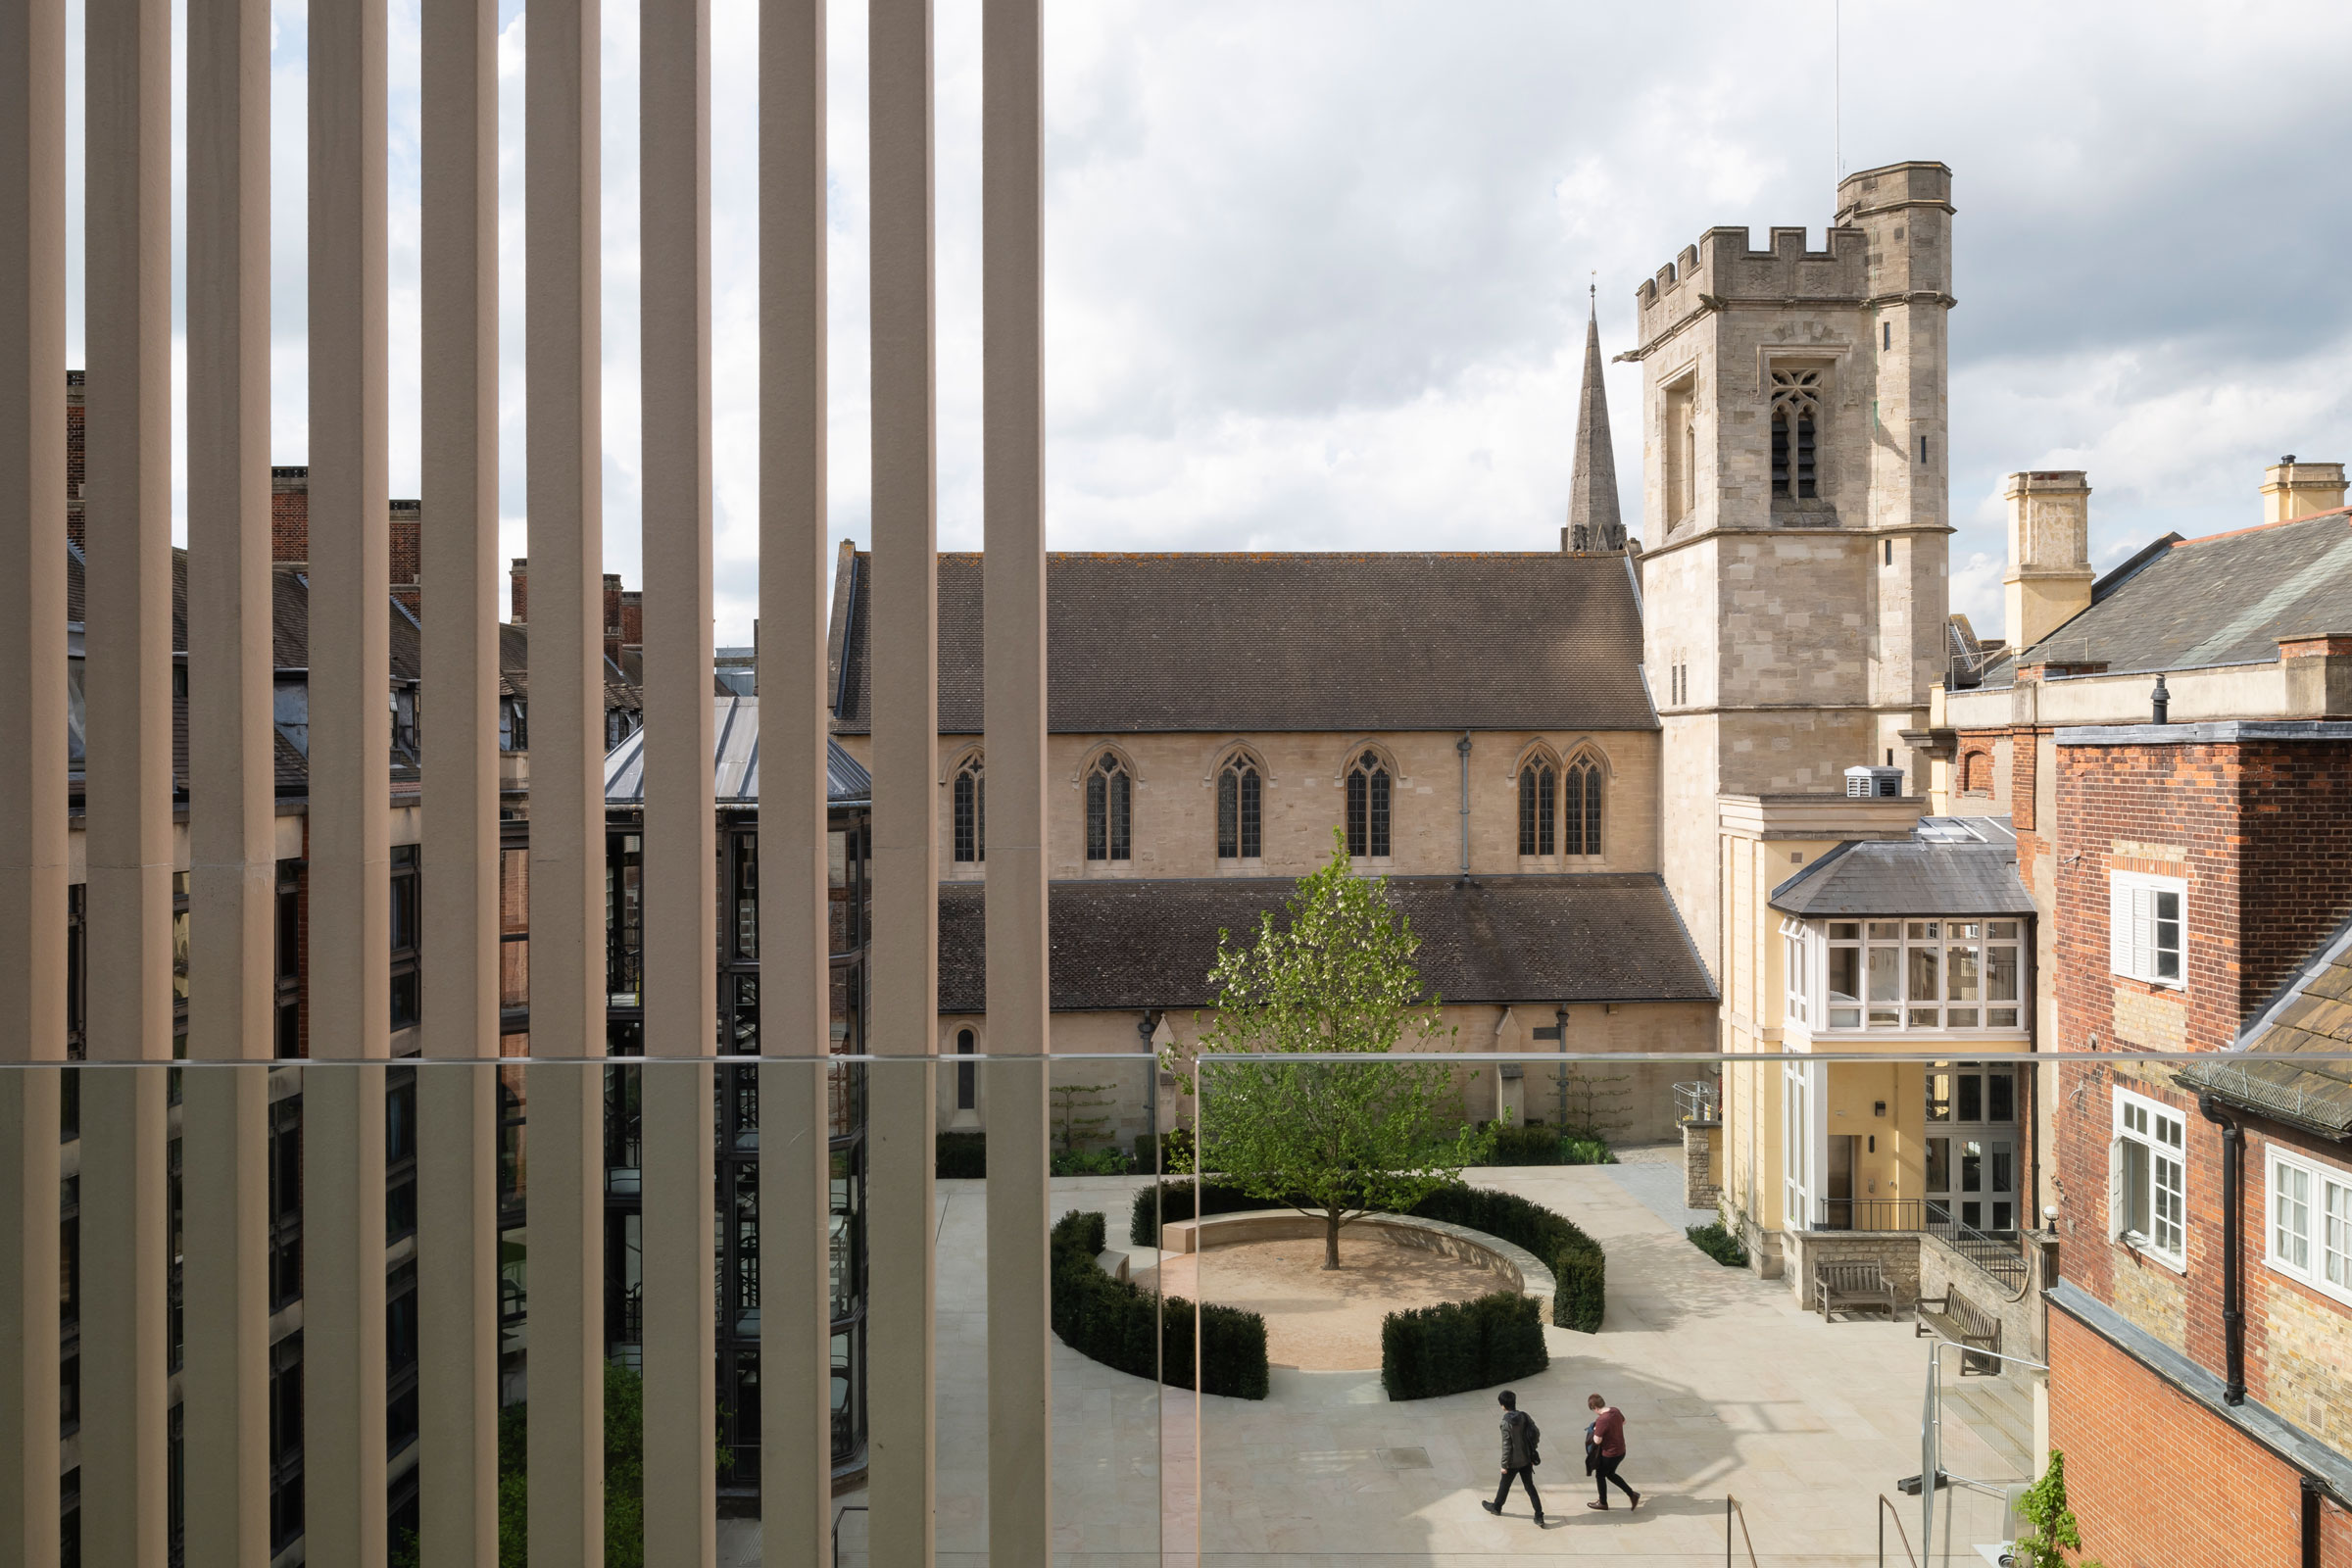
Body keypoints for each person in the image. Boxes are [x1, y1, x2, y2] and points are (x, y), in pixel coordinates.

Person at [1481, 1389, 1545, 1525]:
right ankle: (1539, 1515)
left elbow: (1507, 1446)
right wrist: (1532, 1450)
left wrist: (1504, 1465)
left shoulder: (1505, 1423)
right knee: (1530, 1487)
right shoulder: (1524, 1416)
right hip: (1527, 1459)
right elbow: (1536, 1433)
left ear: (1503, 1405)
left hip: (1512, 1462)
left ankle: (1496, 1507)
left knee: (1504, 1485)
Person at [1584, 1392, 1640, 1511]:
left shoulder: (1602, 1420)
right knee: (1610, 1474)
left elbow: (1597, 1440)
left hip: (1609, 1454)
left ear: (1595, 1408)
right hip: (1620, 1450)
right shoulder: (1615, 1411)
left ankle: (1603, 1503)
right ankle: (1632, 1495)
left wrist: (1594, 1430)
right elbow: (1623, 1422)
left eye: (1593, 1410)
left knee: (1600, 1475)